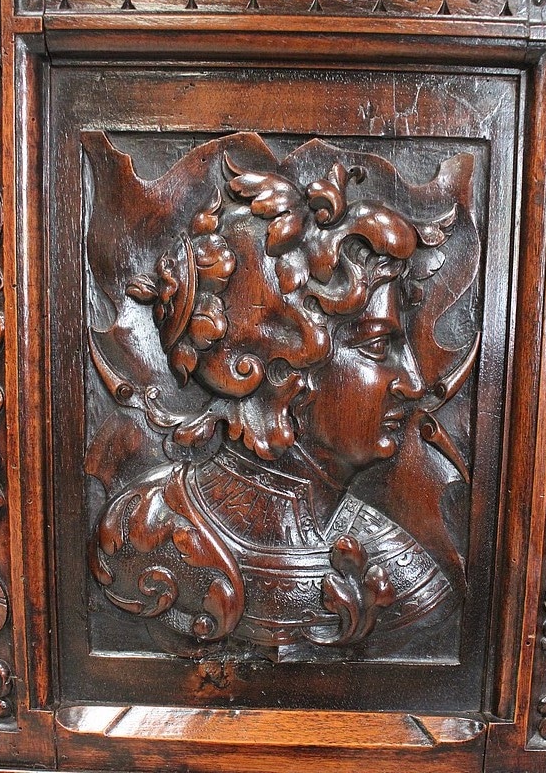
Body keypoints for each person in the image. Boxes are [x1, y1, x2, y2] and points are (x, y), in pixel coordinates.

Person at [89, 138, 471, 657]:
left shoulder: (401, 577)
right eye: (379, 347)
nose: (413, 382)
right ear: (282, 366)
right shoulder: (142, 532)